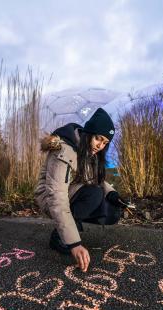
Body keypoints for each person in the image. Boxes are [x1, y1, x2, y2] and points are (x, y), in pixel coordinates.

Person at [35, 108, 130, 273]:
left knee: (112, 211)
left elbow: (96, 180)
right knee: (94, 194)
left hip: (72, 192)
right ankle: (59, 237)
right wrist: (74, 244)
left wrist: (113, 195)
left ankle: (70, 225)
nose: (100, 146)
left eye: (105, 143)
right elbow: (56, 198)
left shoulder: (89, 151)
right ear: (88, 133)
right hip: (50, 197)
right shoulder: (64, 151)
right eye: (98, 139)